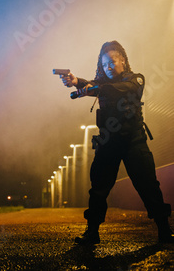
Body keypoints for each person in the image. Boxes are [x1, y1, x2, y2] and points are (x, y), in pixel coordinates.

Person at [60, 40, 174, 245]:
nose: (109, 67)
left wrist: (92, 88)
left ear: (122, 60)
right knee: (98, 189)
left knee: (148, 186)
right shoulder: (102, 85)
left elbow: (115, 89)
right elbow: (96, 86)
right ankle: (92, 232)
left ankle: (165, 231)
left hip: (134, 142)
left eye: (112, 62)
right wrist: (76, 81)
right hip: (108, 144)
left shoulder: (135, 80)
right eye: (105, 65)